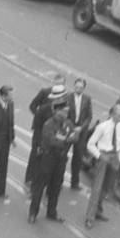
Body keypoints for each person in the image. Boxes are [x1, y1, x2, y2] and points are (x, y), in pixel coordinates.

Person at [28, 87, 74, 224]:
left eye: (67, 111)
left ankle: (51, 212)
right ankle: (33, 213)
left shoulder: (68, 124)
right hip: (47, 158)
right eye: (63, 111)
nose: (66, 114)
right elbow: (51, 140)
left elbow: (74, 136)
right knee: (39, 187)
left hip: (60, 159)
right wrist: (65, 139)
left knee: (55, 187)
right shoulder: (49, 124)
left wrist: (65, 139)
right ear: (56, 111)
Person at [83, 102, 120, 230]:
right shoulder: (102, 127)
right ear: (112, 114)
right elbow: (90, 144)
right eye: (118, 115)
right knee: (97, 188)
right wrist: (99, 156)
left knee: (107, 187)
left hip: (114, 157)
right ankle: (89, 217)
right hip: (104, 156)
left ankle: (98, 211)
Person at [65, 78, 93, 191]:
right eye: (76, 87)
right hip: (69, 130)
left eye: (81, 87)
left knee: (77, 158)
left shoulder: (87, 99)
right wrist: (72, 128)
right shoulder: (68, 97)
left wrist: (81, 128)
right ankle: (58, 180)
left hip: (81, 132)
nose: (78, 89)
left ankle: (74, 183)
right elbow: (65, 115)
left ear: (84, 88)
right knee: (63, 155)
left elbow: (89, 116)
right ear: (74, 86)